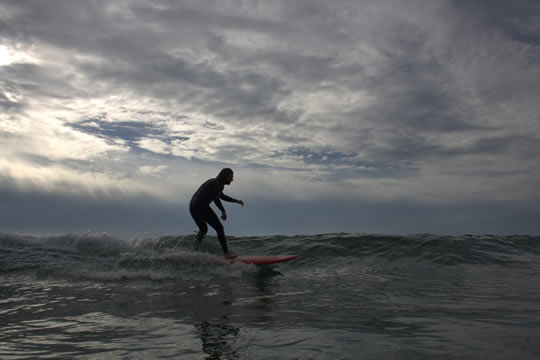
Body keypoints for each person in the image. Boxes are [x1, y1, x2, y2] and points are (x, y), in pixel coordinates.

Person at [189, 168, 244, 259]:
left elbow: (221, 196)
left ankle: (193, 251)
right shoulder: (218, 184)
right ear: (225, 176)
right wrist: (223, 211)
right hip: (201, 205)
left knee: (203, 229)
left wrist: (235, 201)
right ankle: (226, 253)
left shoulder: (215, 182)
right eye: (231, 177)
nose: (232, 179)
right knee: (219, 228)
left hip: (192, 206)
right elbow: (215, 197)